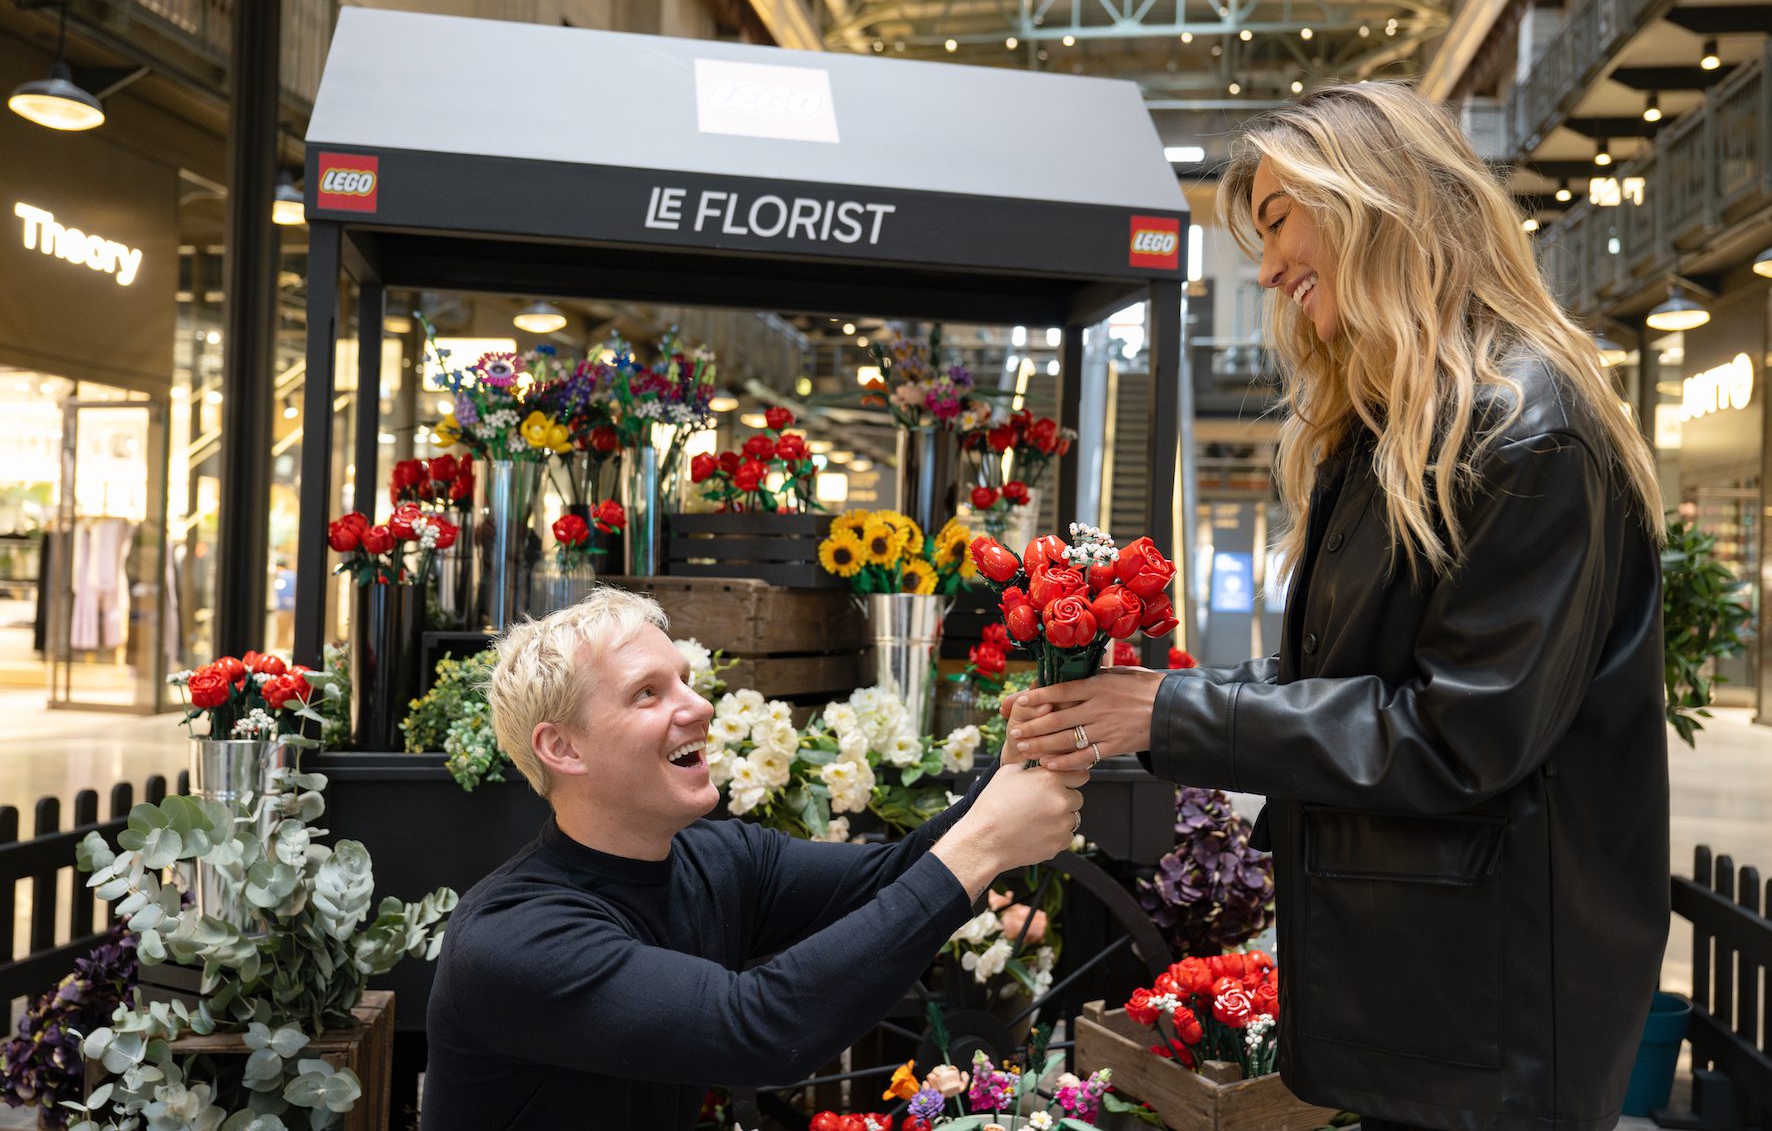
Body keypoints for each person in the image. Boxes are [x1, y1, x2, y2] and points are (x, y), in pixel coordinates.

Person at [1005, 81, 1667, 1131]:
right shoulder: (1404, 424)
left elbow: (1459, 736)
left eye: (1276, 220)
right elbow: (1349, 679)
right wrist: (1160, 697)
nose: (1264, 268)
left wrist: (1171, 714)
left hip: (1491, 1013)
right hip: (1428, 981)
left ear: (1375, 199)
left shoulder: (1525, 430)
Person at [421, 587, 1087, 1130]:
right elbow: (761, 1027)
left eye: (685, 678)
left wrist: (1017, 762)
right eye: (647, 692)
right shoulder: (512, 937)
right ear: (563, 749)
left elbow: (891, 877)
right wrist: (988, 841)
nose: (700, 705)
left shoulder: (718, 857)